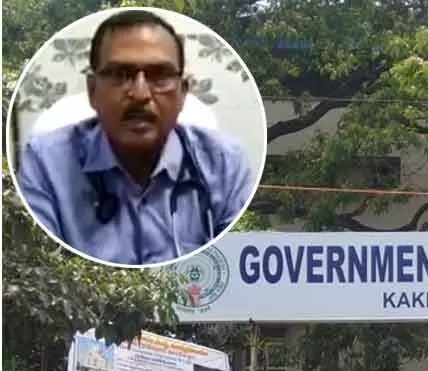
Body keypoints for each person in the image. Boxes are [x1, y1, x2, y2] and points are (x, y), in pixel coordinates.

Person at [16, 9, 255, 266]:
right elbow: (38, 271)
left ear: (182, 92)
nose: (140, 94)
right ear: (93, 91)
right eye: (120, 74)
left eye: (159, 75)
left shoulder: (225, 163)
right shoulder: (45, 163)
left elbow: (234, 270)